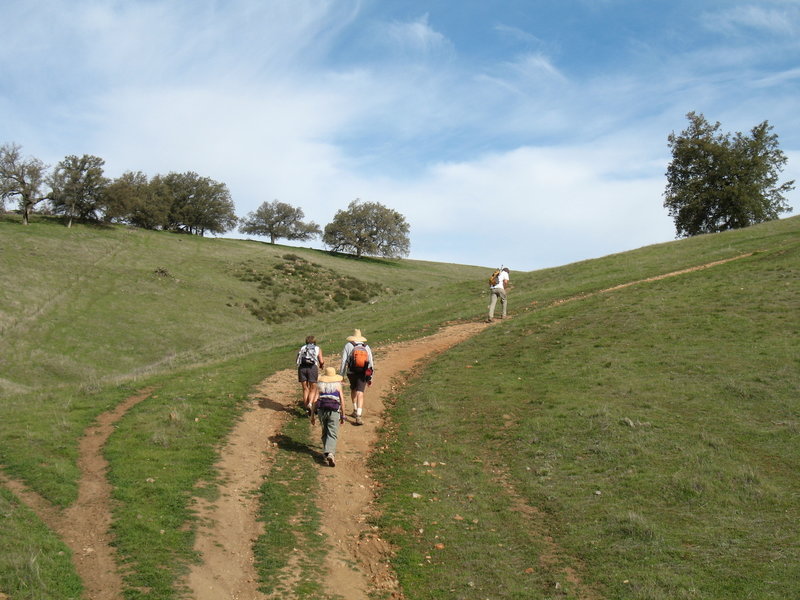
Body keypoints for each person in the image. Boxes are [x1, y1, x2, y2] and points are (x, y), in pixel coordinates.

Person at [310, 367, 345, 466]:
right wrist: (343, 415)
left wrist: (312, 415)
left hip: (322, 411)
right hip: (334, 411)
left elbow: (315, 401)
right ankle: (330, 453)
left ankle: (326, 452)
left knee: (325, 431)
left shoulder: (320, 386)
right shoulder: (338, 387)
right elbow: (342, 401)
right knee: (332, 433)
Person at [339, 329, 374, 426]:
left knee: (353, 389)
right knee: (360, 393)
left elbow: (344, 362)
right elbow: (370, 362)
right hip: (363, 373)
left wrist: (341, 375)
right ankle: (358, 415)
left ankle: (354, 409)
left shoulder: (348, 345)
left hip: (351, 372)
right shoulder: (366, 347)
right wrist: (370, 377)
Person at [297, 335, 324, 415]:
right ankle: (310, 404)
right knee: (313, 388)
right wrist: (321, 365)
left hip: (302, 368)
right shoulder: (317, 348)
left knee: (305, 389)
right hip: (312, 368)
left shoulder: (302, 348)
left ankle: (306, 409)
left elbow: (298, 359)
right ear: (315, 341)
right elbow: (321, 361)